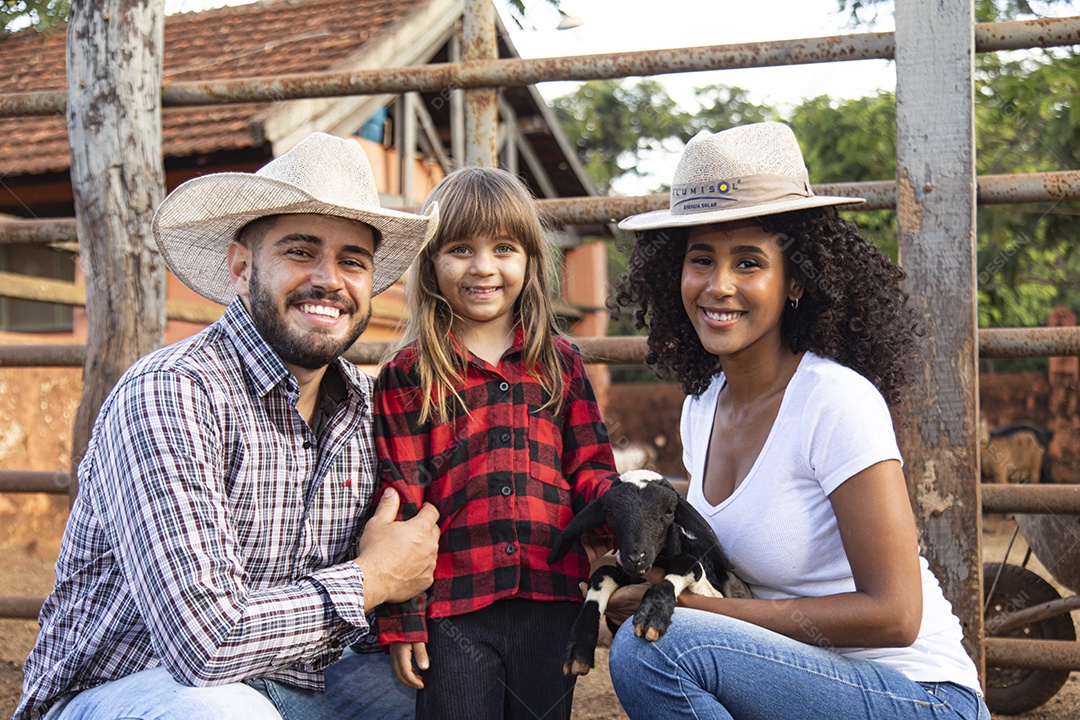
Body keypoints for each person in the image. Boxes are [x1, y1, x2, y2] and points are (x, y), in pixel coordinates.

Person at [14, 133, 443, 720]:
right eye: (300, 251)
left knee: (449, 684)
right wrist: (372, 578)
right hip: (141, 689)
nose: (328, 280)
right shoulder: (173, 391)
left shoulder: (370, 405)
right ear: (242, 268)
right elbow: (203, 645)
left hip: (308, 685)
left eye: (352, 261)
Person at [605, 122, 989, 720]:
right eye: (700, 258)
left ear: (796, 281)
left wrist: (688, 609)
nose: (719, 285)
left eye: (749, 262)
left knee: (654, 652)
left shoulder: (835, 402)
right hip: (800, 685)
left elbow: (895, 615)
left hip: (920, 699)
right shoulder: (700, 409)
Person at [372, 166, 620, 720]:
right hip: (453, 607)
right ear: (431, 262)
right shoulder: (409, 374)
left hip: (551, 594)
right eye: (460, 248)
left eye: (504, 248)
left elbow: (590, 470)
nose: (483, 268)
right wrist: (404, 617)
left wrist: (622, 511)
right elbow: (402, 498)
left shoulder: (561, 363)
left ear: (530, 260)